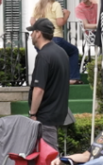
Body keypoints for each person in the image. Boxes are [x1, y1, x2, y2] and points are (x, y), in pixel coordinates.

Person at [27, 19, 74, 150]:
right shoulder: (62, 52)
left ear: (38, 33)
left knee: (48, 156)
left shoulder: (43, 55)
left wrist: (33, 113)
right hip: (58, 113)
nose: (31, 35)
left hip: (45, 115)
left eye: (33, 32)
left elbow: (39, 89)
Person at [30, 0, 81, 82]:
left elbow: (32, 21)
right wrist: (67, 15)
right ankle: (73, 77)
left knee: (46, 61)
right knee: (73, 51)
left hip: (41, 39)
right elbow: (60, 22)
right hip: (55, 37)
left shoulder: (38, 5)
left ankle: (46, 80)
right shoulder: (55, 5)